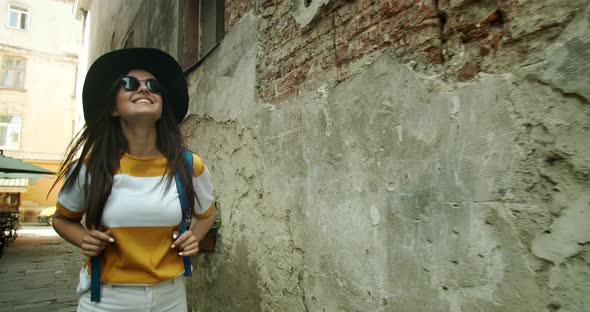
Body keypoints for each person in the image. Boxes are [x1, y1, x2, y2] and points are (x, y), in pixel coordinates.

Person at [51, 48, 216, 312]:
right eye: (129, 84)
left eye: (153, 86)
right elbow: (61, 219)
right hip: (106, 299)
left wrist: (193, 238)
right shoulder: (90, 167)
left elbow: (207, 213)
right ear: (113, 109)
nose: (143, 89)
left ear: (161, 109)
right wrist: (83, 239)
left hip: (170, 298)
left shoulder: (188, 165)